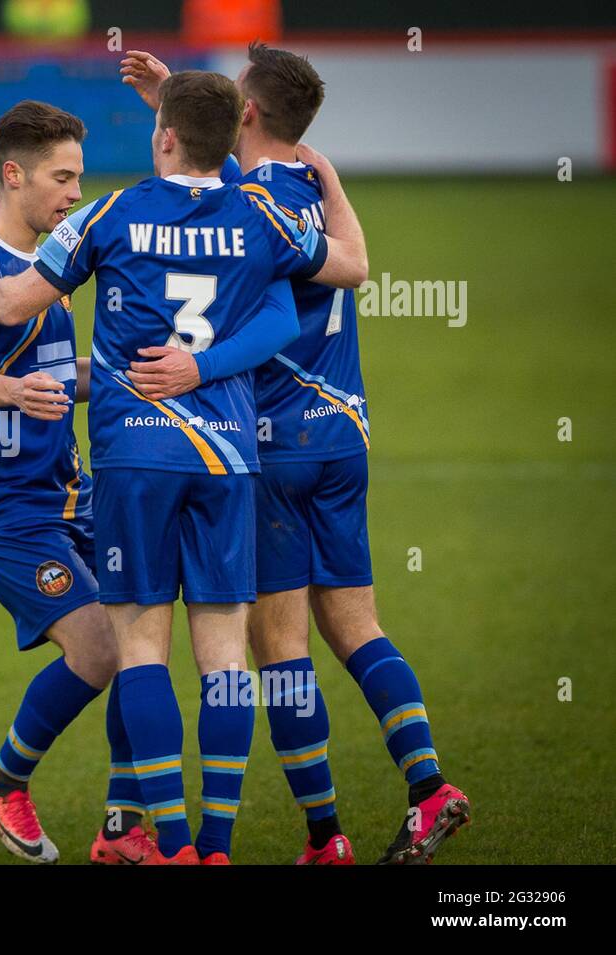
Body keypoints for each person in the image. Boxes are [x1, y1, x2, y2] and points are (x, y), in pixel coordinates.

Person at [0, 70, 367, 863]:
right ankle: (215, 846)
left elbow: (8, 306)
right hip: (229, 459)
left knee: (140, 649)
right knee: (224, 655)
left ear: (164, 135)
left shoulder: (113, 212)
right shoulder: (259, 215)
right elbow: (326, 282)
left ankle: (168, 842)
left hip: (135, 456)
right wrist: (206, 370)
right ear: (230, 140)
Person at [121, 44, 471, 865]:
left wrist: (168, 99)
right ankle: (429, 788)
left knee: (280, 651)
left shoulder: (246, 197)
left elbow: (203, 169)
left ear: (246, 112)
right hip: (344, 432)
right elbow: (346, 256)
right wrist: (169, 94)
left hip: (274, 444)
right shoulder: (312, 189)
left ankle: (324, 835)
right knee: (358, 625)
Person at [0, 100, 157, 865]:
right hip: (5, 510)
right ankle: (3, 782)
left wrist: (142, 378)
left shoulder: (50, 270)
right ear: (13, 173)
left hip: (74, 495)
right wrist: (13, 391)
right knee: (97, 650)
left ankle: (125, 828)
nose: (74, 193)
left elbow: (61, 375)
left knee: (140, 643)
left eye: (80, 178)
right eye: (62, 177)